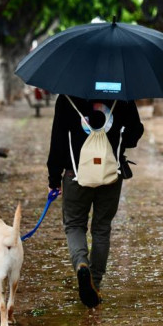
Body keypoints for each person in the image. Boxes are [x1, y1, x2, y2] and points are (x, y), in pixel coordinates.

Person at [47, 94, 144, 308]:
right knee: (101, 228)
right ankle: (96, 283)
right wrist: (117, 140)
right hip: (110, 174)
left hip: (75, 175)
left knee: (74, 225)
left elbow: (58, 139)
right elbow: (135, 132)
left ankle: (82, 264)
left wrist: (54, 178)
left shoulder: (67, 97)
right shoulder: (123, 95)